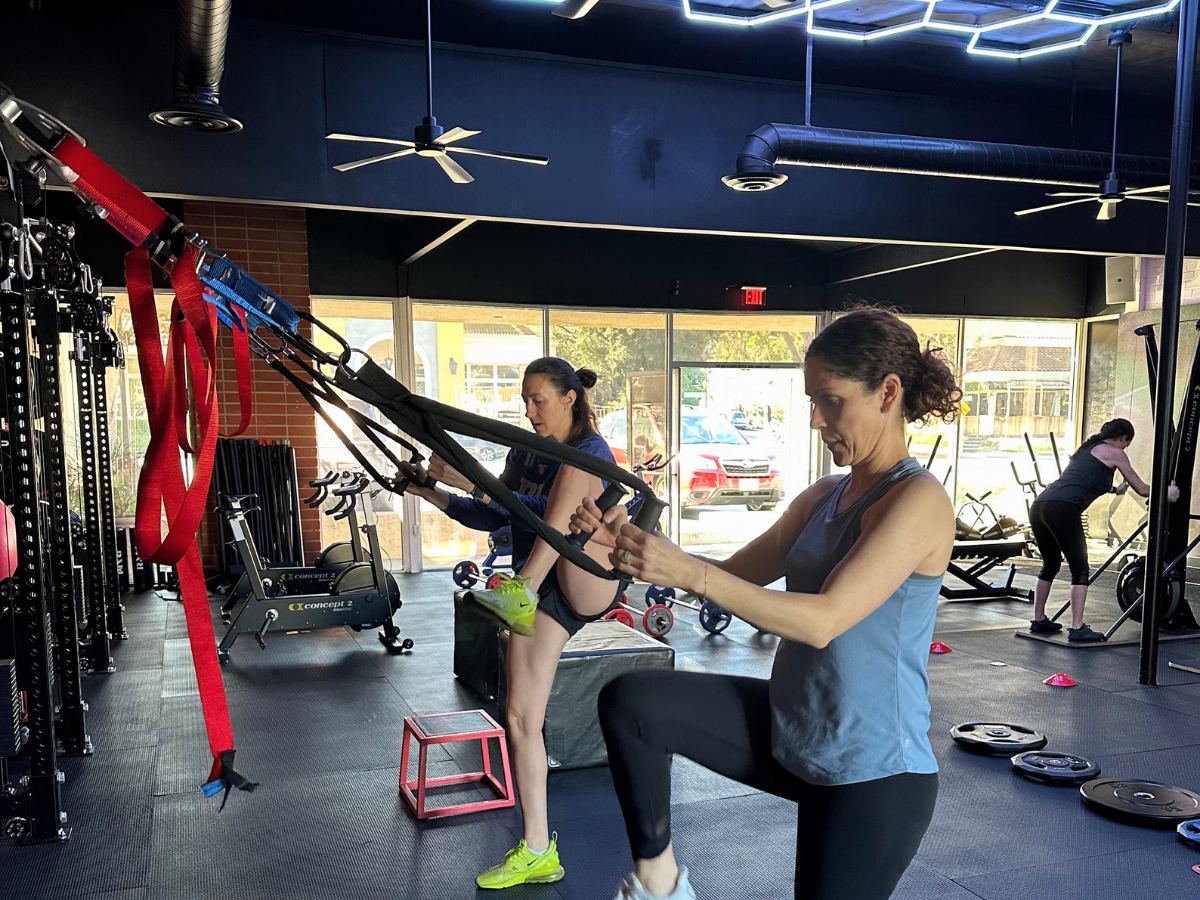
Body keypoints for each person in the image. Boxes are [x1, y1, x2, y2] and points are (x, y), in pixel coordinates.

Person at [570, 308, 959, 900]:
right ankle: (661, 885)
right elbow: (728, 578)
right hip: (795, 731)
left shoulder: (918, 500)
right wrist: (626, 545)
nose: (815, 420)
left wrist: (690, 573)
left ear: (887, 393)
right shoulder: (825, 494)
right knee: (634, 702)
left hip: (874, 773)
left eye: (830, 401)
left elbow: (823, 621)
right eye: (811, 401)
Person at [400, 357, 622, 890]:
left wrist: (476, 483)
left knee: (572, 469)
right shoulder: (526, 448)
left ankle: (520, 586)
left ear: (569, 398)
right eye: (524, 400)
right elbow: (500, 512)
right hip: (542, 593)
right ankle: (539, 849)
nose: (528, 411)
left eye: (538, 400)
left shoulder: (592, 450)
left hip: (588, 572)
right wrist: (433, 490)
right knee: (521, 719)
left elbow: (539, 509)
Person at [1027, 418, 1173, 642]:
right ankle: (1077, 628)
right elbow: (1143, 489)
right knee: (1080, 568)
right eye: (1127, 443)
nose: (1126, 448)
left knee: (1051, 563)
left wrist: (1116, 489)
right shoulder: (1116, 452)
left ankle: (1039, 620)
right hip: (1064, 508)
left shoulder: (1087, 449)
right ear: (1122, 438)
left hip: (1041, 506)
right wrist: (1167, 492)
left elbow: (1083, 480)